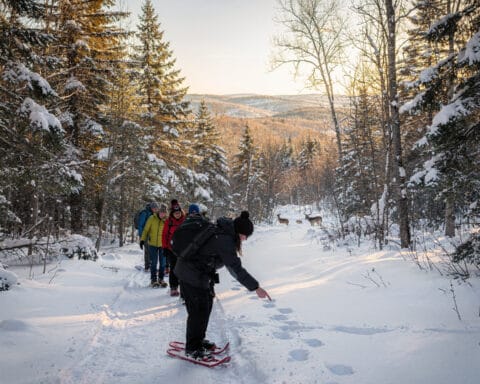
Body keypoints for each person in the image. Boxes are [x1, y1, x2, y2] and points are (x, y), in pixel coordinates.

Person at [174, 208, 271, 360]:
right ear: (240, 232)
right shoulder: (224, 239)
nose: (245, 240)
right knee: (197, 311)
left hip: (200, 275)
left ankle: (198, 340)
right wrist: (256, 287)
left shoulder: (225, 233)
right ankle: (192, 348)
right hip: (190, 275)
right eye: (245, 236)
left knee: (205, 307)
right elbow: (235, 269)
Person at [140, 203, 168, 287]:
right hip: (152, 244)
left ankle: (161, 279)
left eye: (164, 212)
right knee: (154, 262)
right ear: (159, 211)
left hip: (163, 245)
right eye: (161, 212)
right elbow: (146, 230)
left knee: (162, 263)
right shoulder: (152, 218)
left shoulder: (167, 221)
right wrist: (142, 240)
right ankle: (153, 280)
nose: (162, 214)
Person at [162, 199, 186, 297]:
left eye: (179, 213)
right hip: (171, 249)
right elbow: (164, 235)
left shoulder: (185, 220)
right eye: (176, 213)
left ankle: (184, 288)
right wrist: (164, 248)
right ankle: (173, 287)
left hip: (184, 249)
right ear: (172, 213)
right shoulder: (169, 222)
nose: (177, 214)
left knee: (184, 269)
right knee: (174, 268)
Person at [138, 202, 159, 271]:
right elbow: (140, 225)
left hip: (152, 234)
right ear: (152, 208)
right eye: (155, 208)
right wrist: (142, 236)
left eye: (157, 208)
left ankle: (151, 264)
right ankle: (147, 266)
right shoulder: (145, 213)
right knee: (147, 250)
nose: (156, 210)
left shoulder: (154, 214)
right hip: (145, 234)